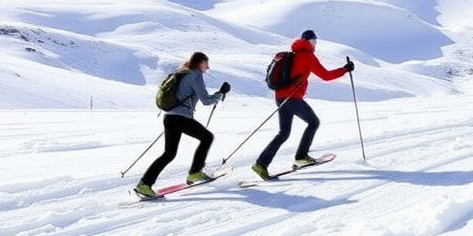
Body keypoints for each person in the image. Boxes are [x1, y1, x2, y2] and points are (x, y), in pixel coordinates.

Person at [251, 30, 354, 180]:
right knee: (313, 122)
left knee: (284, 133)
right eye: (314, 41)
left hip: (280, 97)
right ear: (310, 42)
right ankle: (301, 156)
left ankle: (261, 164)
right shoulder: (307, 56)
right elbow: (326, 76)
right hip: (293, 98)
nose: (315, 44)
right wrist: (345, 69)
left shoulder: (293, 54)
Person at [134, 52, 230, 198]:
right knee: (207, 137)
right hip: (181, 118)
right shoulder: (195, 75)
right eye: (205, 64)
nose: (207, 67)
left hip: (170, 117)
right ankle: (195, 172)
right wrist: (221, 93)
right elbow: (206, 100)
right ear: (199, 63)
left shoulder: (182, 73)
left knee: (169, 154)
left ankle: (144, 184)